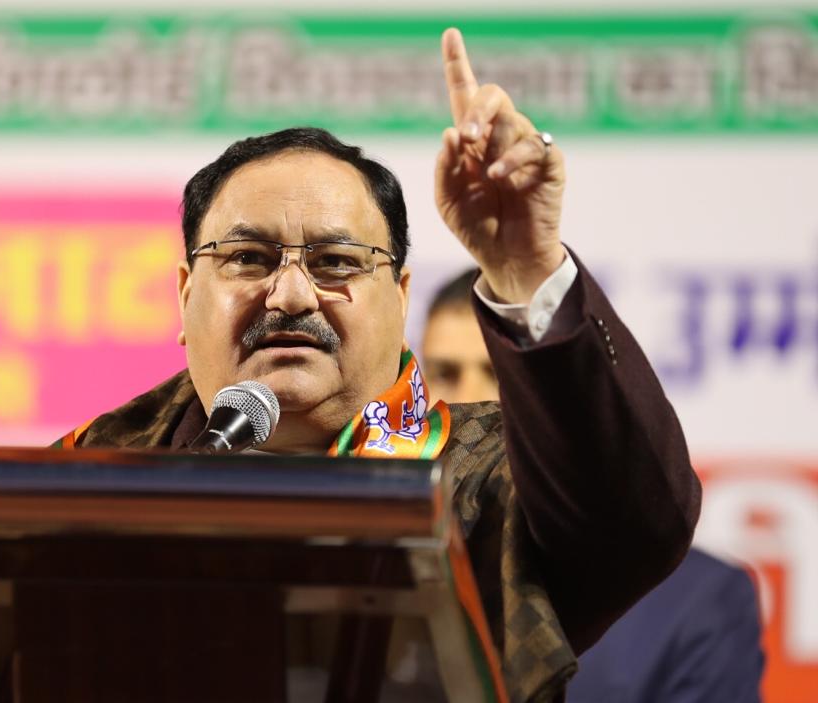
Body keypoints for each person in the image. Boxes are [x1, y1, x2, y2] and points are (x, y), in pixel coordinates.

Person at [56, 28, 701, 701]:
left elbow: (638, 523)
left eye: (336, 262)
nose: (291, 295)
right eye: (248, 258)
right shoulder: (92, 470)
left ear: (398, 299)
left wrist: (525, 266)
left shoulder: (495, 477)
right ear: (187, 297)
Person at [423, 269, 765, 702]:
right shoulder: (389, 565)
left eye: (496, 372)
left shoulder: (698, 598)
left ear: (550, 394)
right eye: (445, 372)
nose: (472, 397)